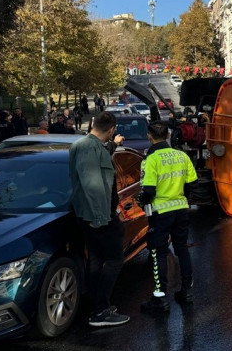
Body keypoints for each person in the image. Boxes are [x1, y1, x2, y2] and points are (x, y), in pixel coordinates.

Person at [68, 112, 129, 327]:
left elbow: (100, 157)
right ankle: (101, 311)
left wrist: (113, 144)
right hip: (99, 217)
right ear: (111, 129)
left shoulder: (87, 146)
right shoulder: (89, 149)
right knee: (113, 260)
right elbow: (92, 186)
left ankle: (96, 306)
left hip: (93, 215)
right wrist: (100, 218)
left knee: (95, 261)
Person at [137, 120, 197, 314]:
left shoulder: (151, 160)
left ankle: (160, 299)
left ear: (149, 136)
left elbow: (148, 191)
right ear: (169, 135)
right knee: (182, 250)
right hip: (181, 209)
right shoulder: (182, 156)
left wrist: (142, 201)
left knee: (158, 253)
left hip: (160, 212)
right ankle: (186, 292)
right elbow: (190, 184)